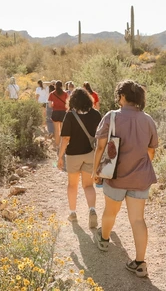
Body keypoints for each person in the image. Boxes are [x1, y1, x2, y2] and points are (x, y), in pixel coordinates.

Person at [92, 80, 158, 279]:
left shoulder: (111, 117)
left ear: (121, 97)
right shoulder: (148, 120)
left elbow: (101, 146)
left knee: (110, 211)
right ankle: (140, 264)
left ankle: (103, 239)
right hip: (140, 177)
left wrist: (96, 170)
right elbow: (151, 150)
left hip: (115, 176)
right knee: (138, 219)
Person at [57, 87, 102, 227]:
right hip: (90, 154)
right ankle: (92, 210)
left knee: (72, 185)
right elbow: (100, 135)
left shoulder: (70, 115)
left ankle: (72, 213)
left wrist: (59, 157)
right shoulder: (95, 114)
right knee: (88, 185)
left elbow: (65, 139)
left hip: (73, 155)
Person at [48, 80, 69, 148]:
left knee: (57, 130)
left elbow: (50, 105)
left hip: (55, 112)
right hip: (63, 112)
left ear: (55, 86)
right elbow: (68, 105)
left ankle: (57, 145)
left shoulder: (52, 94)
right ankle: (63, 145)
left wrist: (55, 105)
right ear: (61, 86)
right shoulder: (65, 94)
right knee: (63, 130)